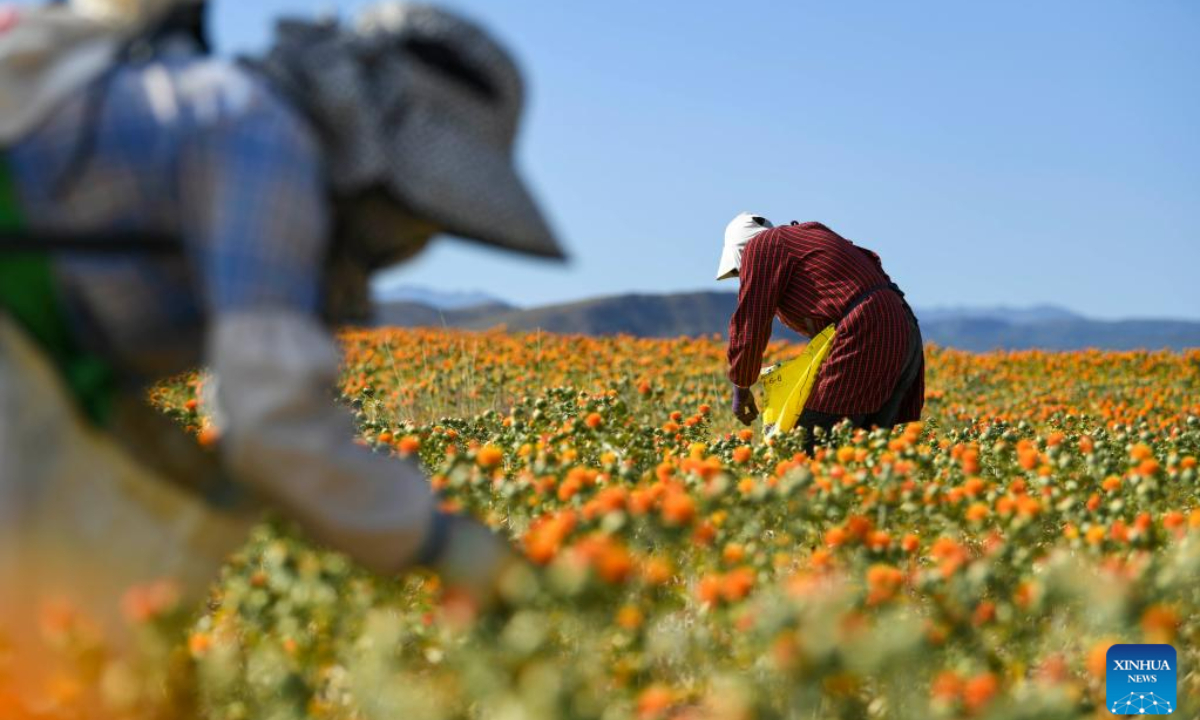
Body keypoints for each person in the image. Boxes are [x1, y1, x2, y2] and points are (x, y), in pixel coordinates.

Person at [0, 0, 560, 708]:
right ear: (381, 167)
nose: (413, 242)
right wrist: (442, 544)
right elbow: (268, 423)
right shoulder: (264, 141)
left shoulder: (235, 115)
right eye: (422, 212)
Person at [716, 212, 923, 445]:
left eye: (739, 270)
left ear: (742, 249)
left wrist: (742, 384)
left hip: (867, 330)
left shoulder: (764, 245)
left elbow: (751, 321)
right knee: (864, 447)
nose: (743, 276)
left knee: (812, 444)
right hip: (903, 330)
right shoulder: (807, 240)